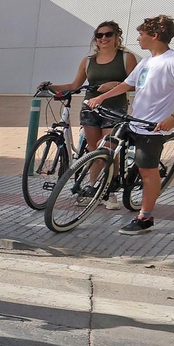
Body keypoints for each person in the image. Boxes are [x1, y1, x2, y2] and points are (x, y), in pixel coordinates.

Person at [84, 14, 174, 235]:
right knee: (105, 146)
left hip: (153, 127)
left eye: (141, 34)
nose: (138, 39)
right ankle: (106, 188)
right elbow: (127, 84)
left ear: (155, 36)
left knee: (148, 172)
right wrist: (100, 98)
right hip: (133, 121)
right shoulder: (147, 61)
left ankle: (145, 218)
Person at [46, 20, 137, 209]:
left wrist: (114, 85)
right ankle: (93, 189)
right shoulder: (88, 61)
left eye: (108, 34)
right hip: (90, 108)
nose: (103, 38)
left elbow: (135, 83)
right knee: (94, 150)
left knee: (109, 150)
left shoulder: (125, 57)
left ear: (116, 36)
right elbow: (74, 85)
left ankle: (110, 192)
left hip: (114, 108)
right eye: (99, 35)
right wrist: (50, 86)